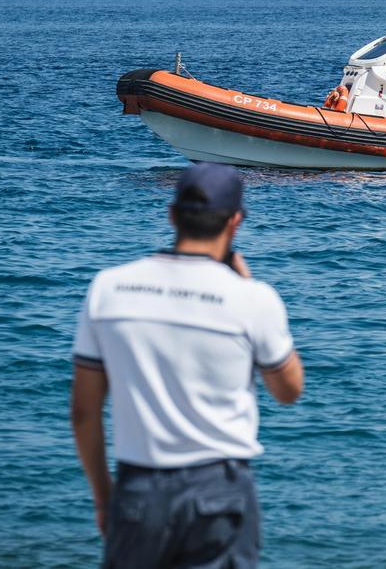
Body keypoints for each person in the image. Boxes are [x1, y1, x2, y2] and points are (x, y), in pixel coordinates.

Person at [71, 162, 305, 567]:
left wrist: (105, 497)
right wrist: (248, 288)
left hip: (138, 488)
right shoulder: (251, 298)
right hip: (219, 491)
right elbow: (288, 391)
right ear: (235, 222)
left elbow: (83, 412)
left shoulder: (109, 288)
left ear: (172, 215)